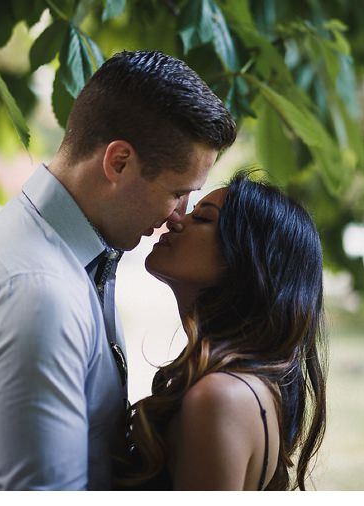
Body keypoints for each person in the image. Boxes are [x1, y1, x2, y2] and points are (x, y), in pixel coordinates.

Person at [0, 50, 237, 490]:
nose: (178, 216)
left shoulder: (72, 247)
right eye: (176, 192)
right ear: (118, 162)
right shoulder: (41, 295)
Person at [112, 172, 327, 490]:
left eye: (203, 218)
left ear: (245, 261)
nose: (176, 220)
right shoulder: (248, 384)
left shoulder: (219, 397)